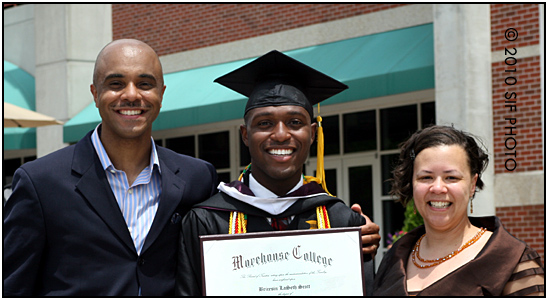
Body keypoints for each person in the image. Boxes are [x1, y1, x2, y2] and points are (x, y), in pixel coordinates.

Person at [3, 39, 218, 296]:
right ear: (95, 94)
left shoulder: (198, 177)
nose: (130, 95)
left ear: (161, 93)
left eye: (145, 84)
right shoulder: (39, 182)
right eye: (116, 84)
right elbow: (14, 288)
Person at [176, 50, 380, 296]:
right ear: (245, 135)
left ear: (313, 133)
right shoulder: (207, 222)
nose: (281, 134)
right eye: (265, 123)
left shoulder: (341, 222)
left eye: (295, 122)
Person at [373, 125, 545, 296]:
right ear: (412, 184)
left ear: (472, 184)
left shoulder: (512, 261)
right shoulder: (394, 258)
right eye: (426, 177)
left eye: (451, 177)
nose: (438, 188)